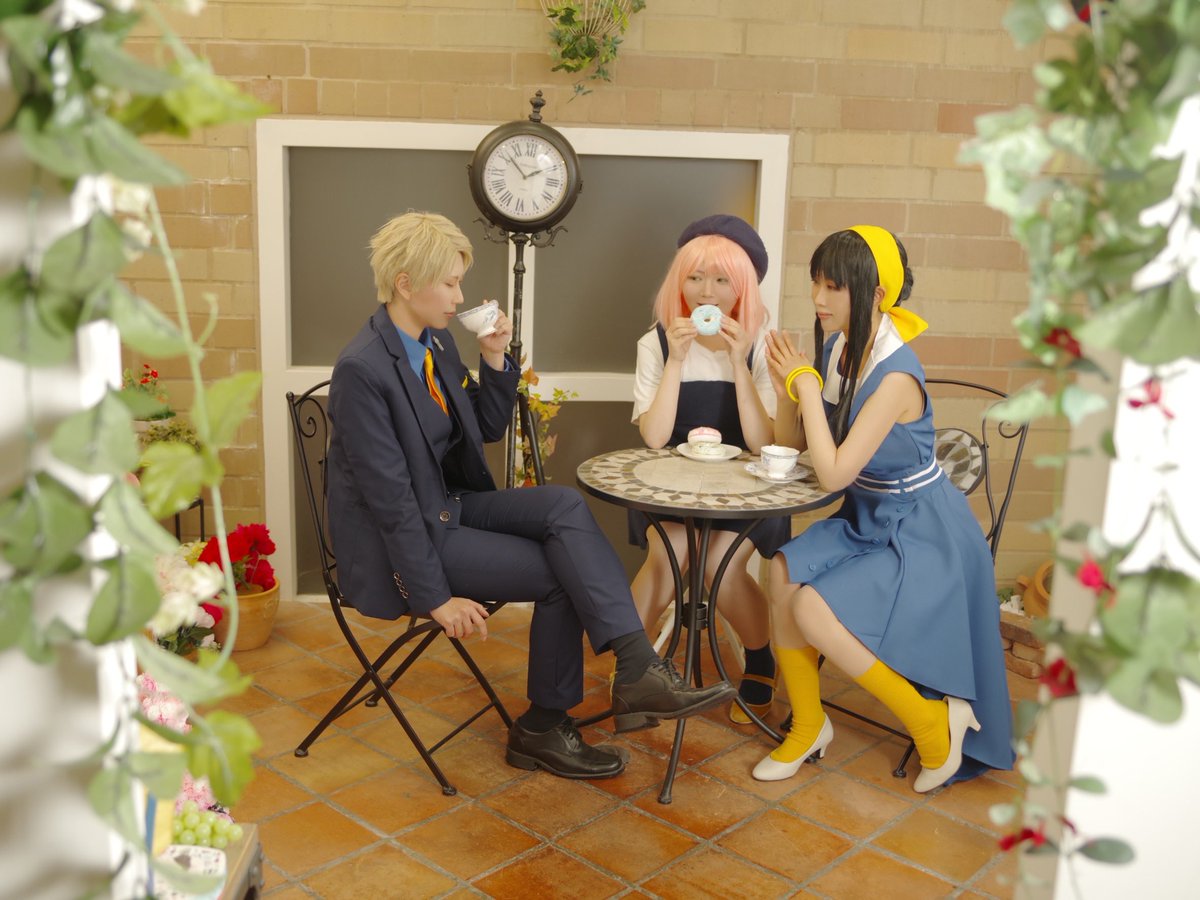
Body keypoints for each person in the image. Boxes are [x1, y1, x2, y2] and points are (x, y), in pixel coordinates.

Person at [326, 211, 734, 781]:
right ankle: (545, 725)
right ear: (406, 284)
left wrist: (494, 358)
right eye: (450, 283)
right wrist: (436, 599)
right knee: (560, 573)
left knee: (563, 504)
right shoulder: (363, 371)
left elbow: (485, 428)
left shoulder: (433, 342)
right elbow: (389, 503)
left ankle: (636, 665)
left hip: (445, 506)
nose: (459, 297)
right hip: (400, 546)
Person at [752, 225, 1014, 792]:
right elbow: (791, 442)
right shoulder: (839, 346)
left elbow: (833, 472)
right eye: (816, 283)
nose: (818, 299)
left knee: (812, 608)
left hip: (924, 532)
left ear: (875, 294)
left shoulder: (895, 375)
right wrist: (786, 387)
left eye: (834, 287)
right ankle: (809, 726)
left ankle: (933, 722)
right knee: (783, 571)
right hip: (868, 518)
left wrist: (806, 385)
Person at [630, 214, 789, 724]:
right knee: (670, 554)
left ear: (743, 288)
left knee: (721, 565)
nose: (707, 292)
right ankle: (634, 669)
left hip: (745, 491)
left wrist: (739, 362)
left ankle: (760, 660)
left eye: (722, 280)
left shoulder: (761, 345)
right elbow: (655, 437)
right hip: (671, 486)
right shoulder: (657, 343)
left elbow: (763, 441)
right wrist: (676, 361)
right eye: (695, 277)